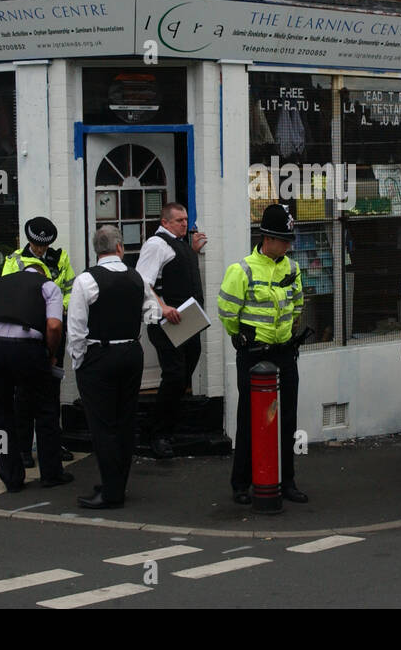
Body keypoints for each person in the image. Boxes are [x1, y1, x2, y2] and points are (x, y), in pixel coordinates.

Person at [217, 203, 309, 506]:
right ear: (266, 238)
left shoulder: (291, 268)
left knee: (288, 419)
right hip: (254, 355)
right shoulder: (241, 270)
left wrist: (289, 328)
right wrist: (243, 337)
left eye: (289, 241)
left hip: (284, 353)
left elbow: (298, 304)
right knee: (250, 419)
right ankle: (241, 483)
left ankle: (287, 481)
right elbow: (227, 311)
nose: (287, 246)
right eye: (283, 240)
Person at [67, 225, 161, 509]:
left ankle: (111, 492)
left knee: (103, 425)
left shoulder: (86, 281)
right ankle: (116, 483)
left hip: (100, 355)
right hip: (132, 353)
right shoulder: (137, 278)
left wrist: (80, 361)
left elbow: (76, 330)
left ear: (97, 249)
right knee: (124, 421)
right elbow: (153, 311)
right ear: (119, 248)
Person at [0, 263, 73, 492]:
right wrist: (50, 353)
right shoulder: (49, 287)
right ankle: (51, 473)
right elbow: (54, 325)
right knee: (45, 411)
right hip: (27, 349)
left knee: (2, 413)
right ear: (43, 274)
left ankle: (9, 476)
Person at [0, 216, 76, 467]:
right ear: (29, 241)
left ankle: (53, 444)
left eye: (44, 246)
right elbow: (6, 294)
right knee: (23, 393)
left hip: (54, 330)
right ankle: (23, 448)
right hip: (26, 333)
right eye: (36, 245)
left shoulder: (60, 258)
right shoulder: (14, 261)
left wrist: (56, 309)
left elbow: (70, 291)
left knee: (52, 391)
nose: (40, 250)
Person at [136, 202, 209, 458]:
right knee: (175, 375)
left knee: (186, 369)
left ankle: (167, 426)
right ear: (165, 222)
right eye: (178, 220)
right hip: (166, 322)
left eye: (186, 219)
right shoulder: (156, 245)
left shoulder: (177, 244)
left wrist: (194, 251)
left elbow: (176, 269)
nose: (184, 223)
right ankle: (159, 434)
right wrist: (162, 306)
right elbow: (141, 280)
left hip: (188, 320)